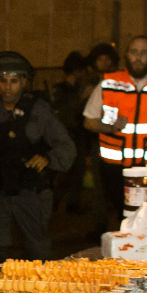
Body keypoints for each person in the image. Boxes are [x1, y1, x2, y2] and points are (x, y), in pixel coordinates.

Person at [0, 51, 75, 272]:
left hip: (30, 191)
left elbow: (67, 147)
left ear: (24, 81)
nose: (7, 87)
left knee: (38, 254)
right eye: (3, 81)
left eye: (14, 81)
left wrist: (48, 159)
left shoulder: (39, 111)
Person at [82, 35, 147, 223]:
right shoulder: (108, 84)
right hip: (115, 168)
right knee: (125, 216)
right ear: (127, 55)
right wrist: (110, 127)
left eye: (144, 53)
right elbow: (88, 121)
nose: (138, 57)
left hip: (146, 168)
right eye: (134, 52)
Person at [50, 51, 91, 214]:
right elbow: (65, 112)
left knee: (78, 171)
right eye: (80, 70)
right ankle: (52, 204)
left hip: (78, 134)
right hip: (66, 135)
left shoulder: (76, 89)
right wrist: (81, 98)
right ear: (75, 70)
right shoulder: (61, 90)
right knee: (63, 173)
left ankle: (73, 205)